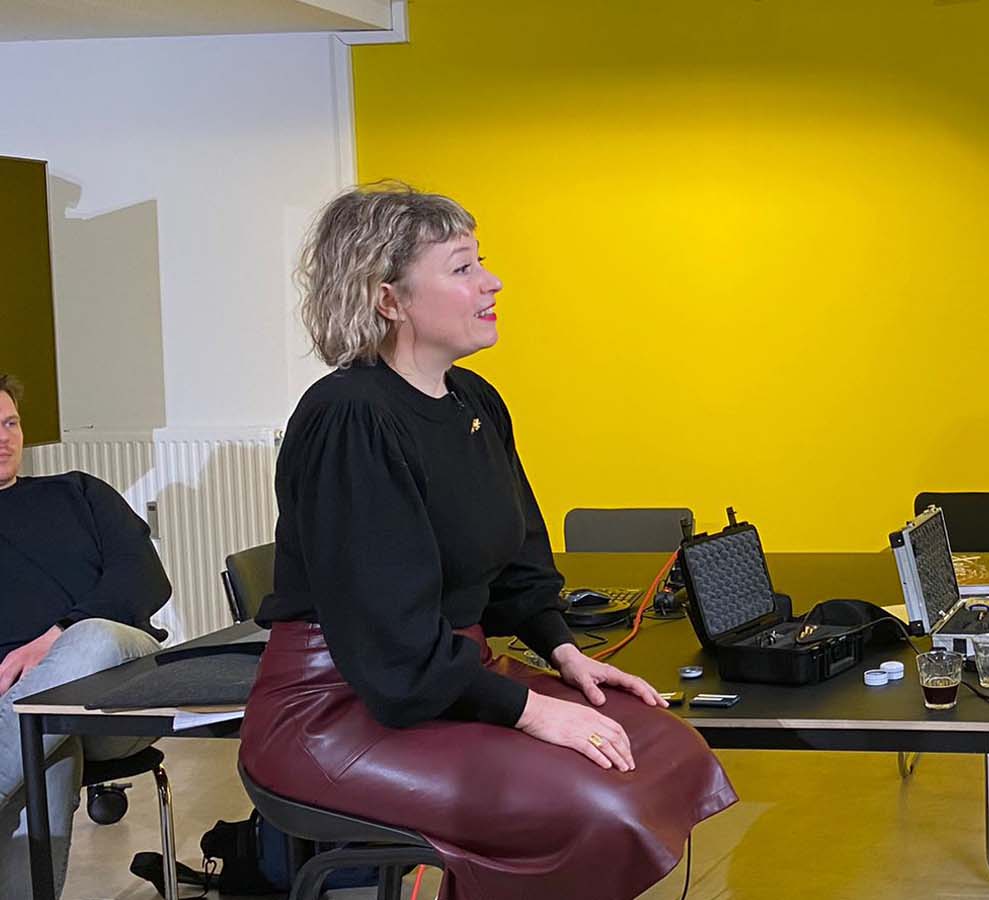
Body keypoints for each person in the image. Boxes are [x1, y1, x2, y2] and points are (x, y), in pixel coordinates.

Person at [239, 183, 736, 900]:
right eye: (463, 267)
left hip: (439, 675)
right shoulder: (350, 418)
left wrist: (565, 654)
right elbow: (389, 648)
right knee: (597, 802)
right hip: (338, 709)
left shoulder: (474, 400)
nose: (491, 281)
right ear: (388, 299)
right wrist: (535, 712)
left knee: (669, 750)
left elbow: (519, 564)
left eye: (482, 262)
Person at [0, 373, 170, 900]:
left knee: (91, 639)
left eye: (11, 423)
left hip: (120, 688)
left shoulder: (77, 491)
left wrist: (54, 638)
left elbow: (146, 576)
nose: (5, 438)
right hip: (30, 714)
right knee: (46, 742)